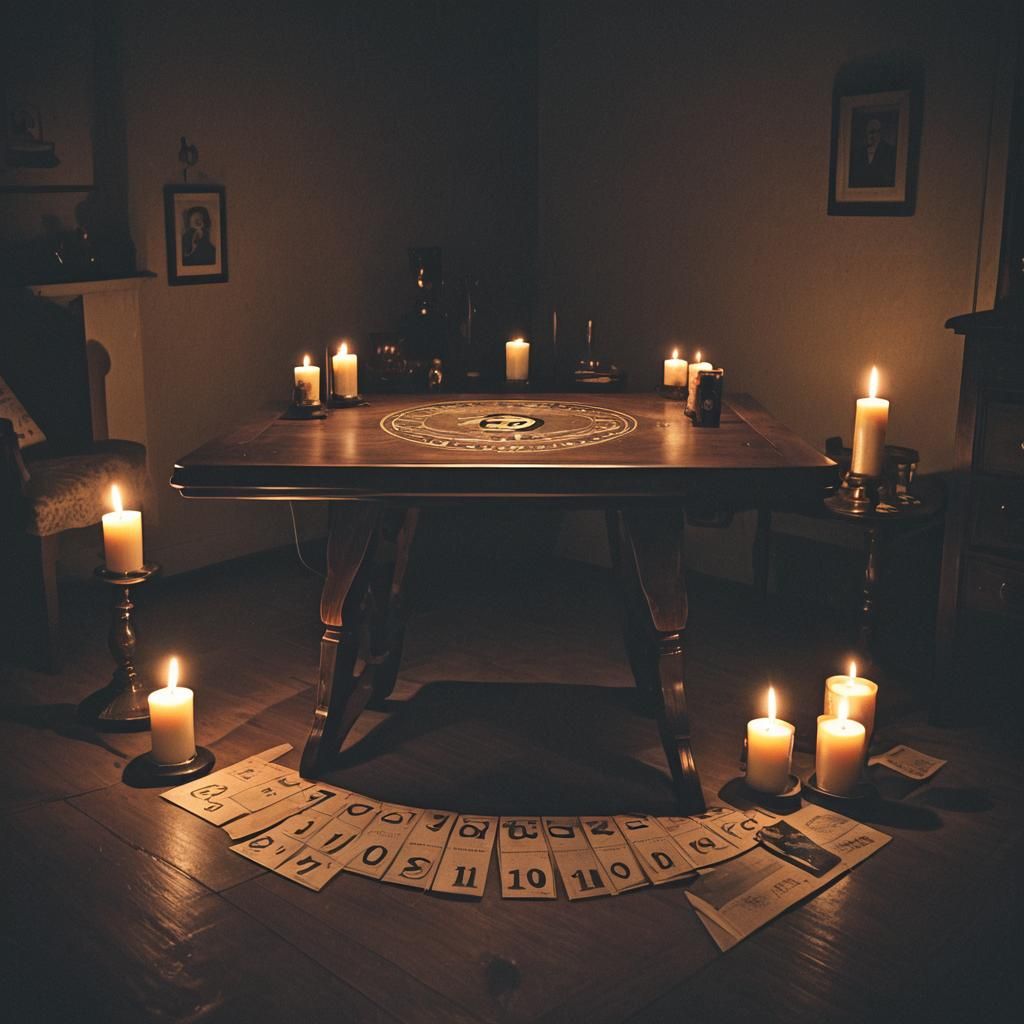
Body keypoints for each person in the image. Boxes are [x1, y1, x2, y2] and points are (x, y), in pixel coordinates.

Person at [848, 116, 897, 188]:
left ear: (879, 133)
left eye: (872, 132)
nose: (870, 136)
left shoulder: (889, 151)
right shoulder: (859, 152)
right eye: (868, 132)